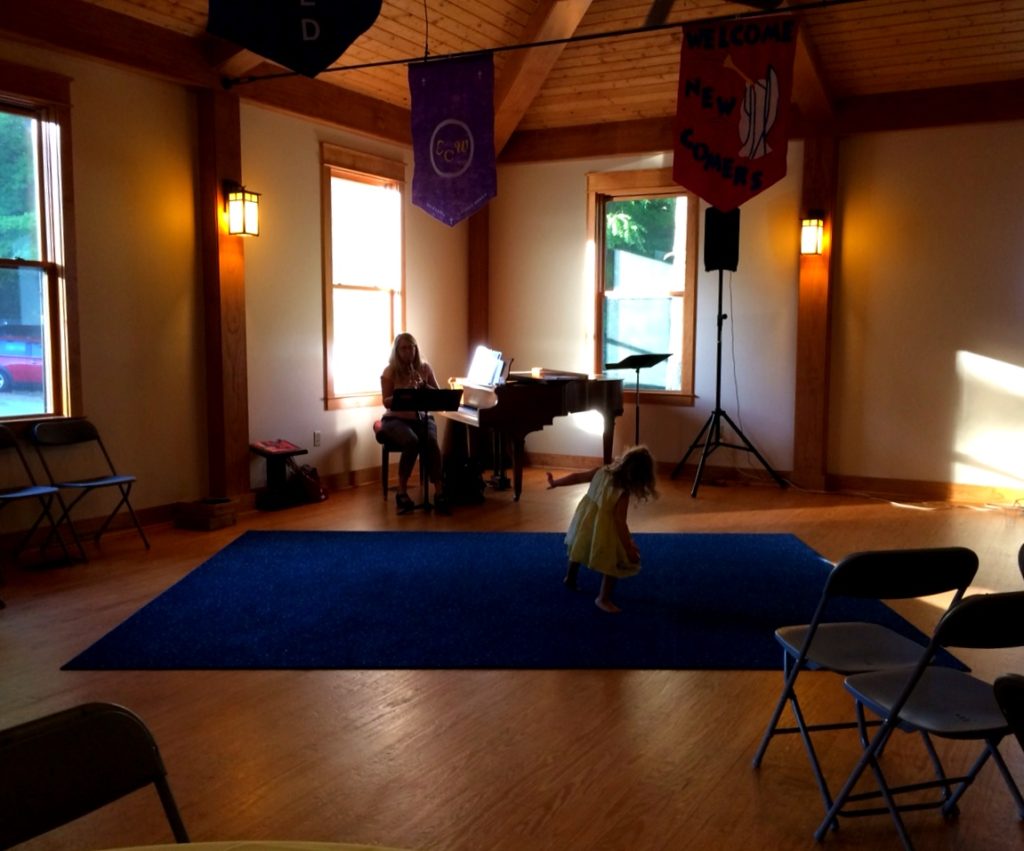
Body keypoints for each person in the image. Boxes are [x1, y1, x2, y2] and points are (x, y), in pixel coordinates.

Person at [547, 445, 658, 613]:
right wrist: (628, 548)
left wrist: (556, 483)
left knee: (579, 545)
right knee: (614, 560)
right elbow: (620, 521)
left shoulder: (602, 471)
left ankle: (570, 578)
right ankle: (603, 598)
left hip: (586, 519)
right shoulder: (623, 491)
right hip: (605, 527)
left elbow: (577, 477)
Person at [379, 332, 450, 515]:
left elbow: (439, 395)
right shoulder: (390, 371)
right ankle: (401, 491)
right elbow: (386, 401)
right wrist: (404, 392)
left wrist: (424, 387)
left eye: (411, 347)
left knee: (432, 442)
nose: (408, 352)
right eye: (404, 348)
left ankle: (439, 491)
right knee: (412, 441)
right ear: (397, 351)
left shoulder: (425, 368)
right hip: (395, 419)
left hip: (421, 418)